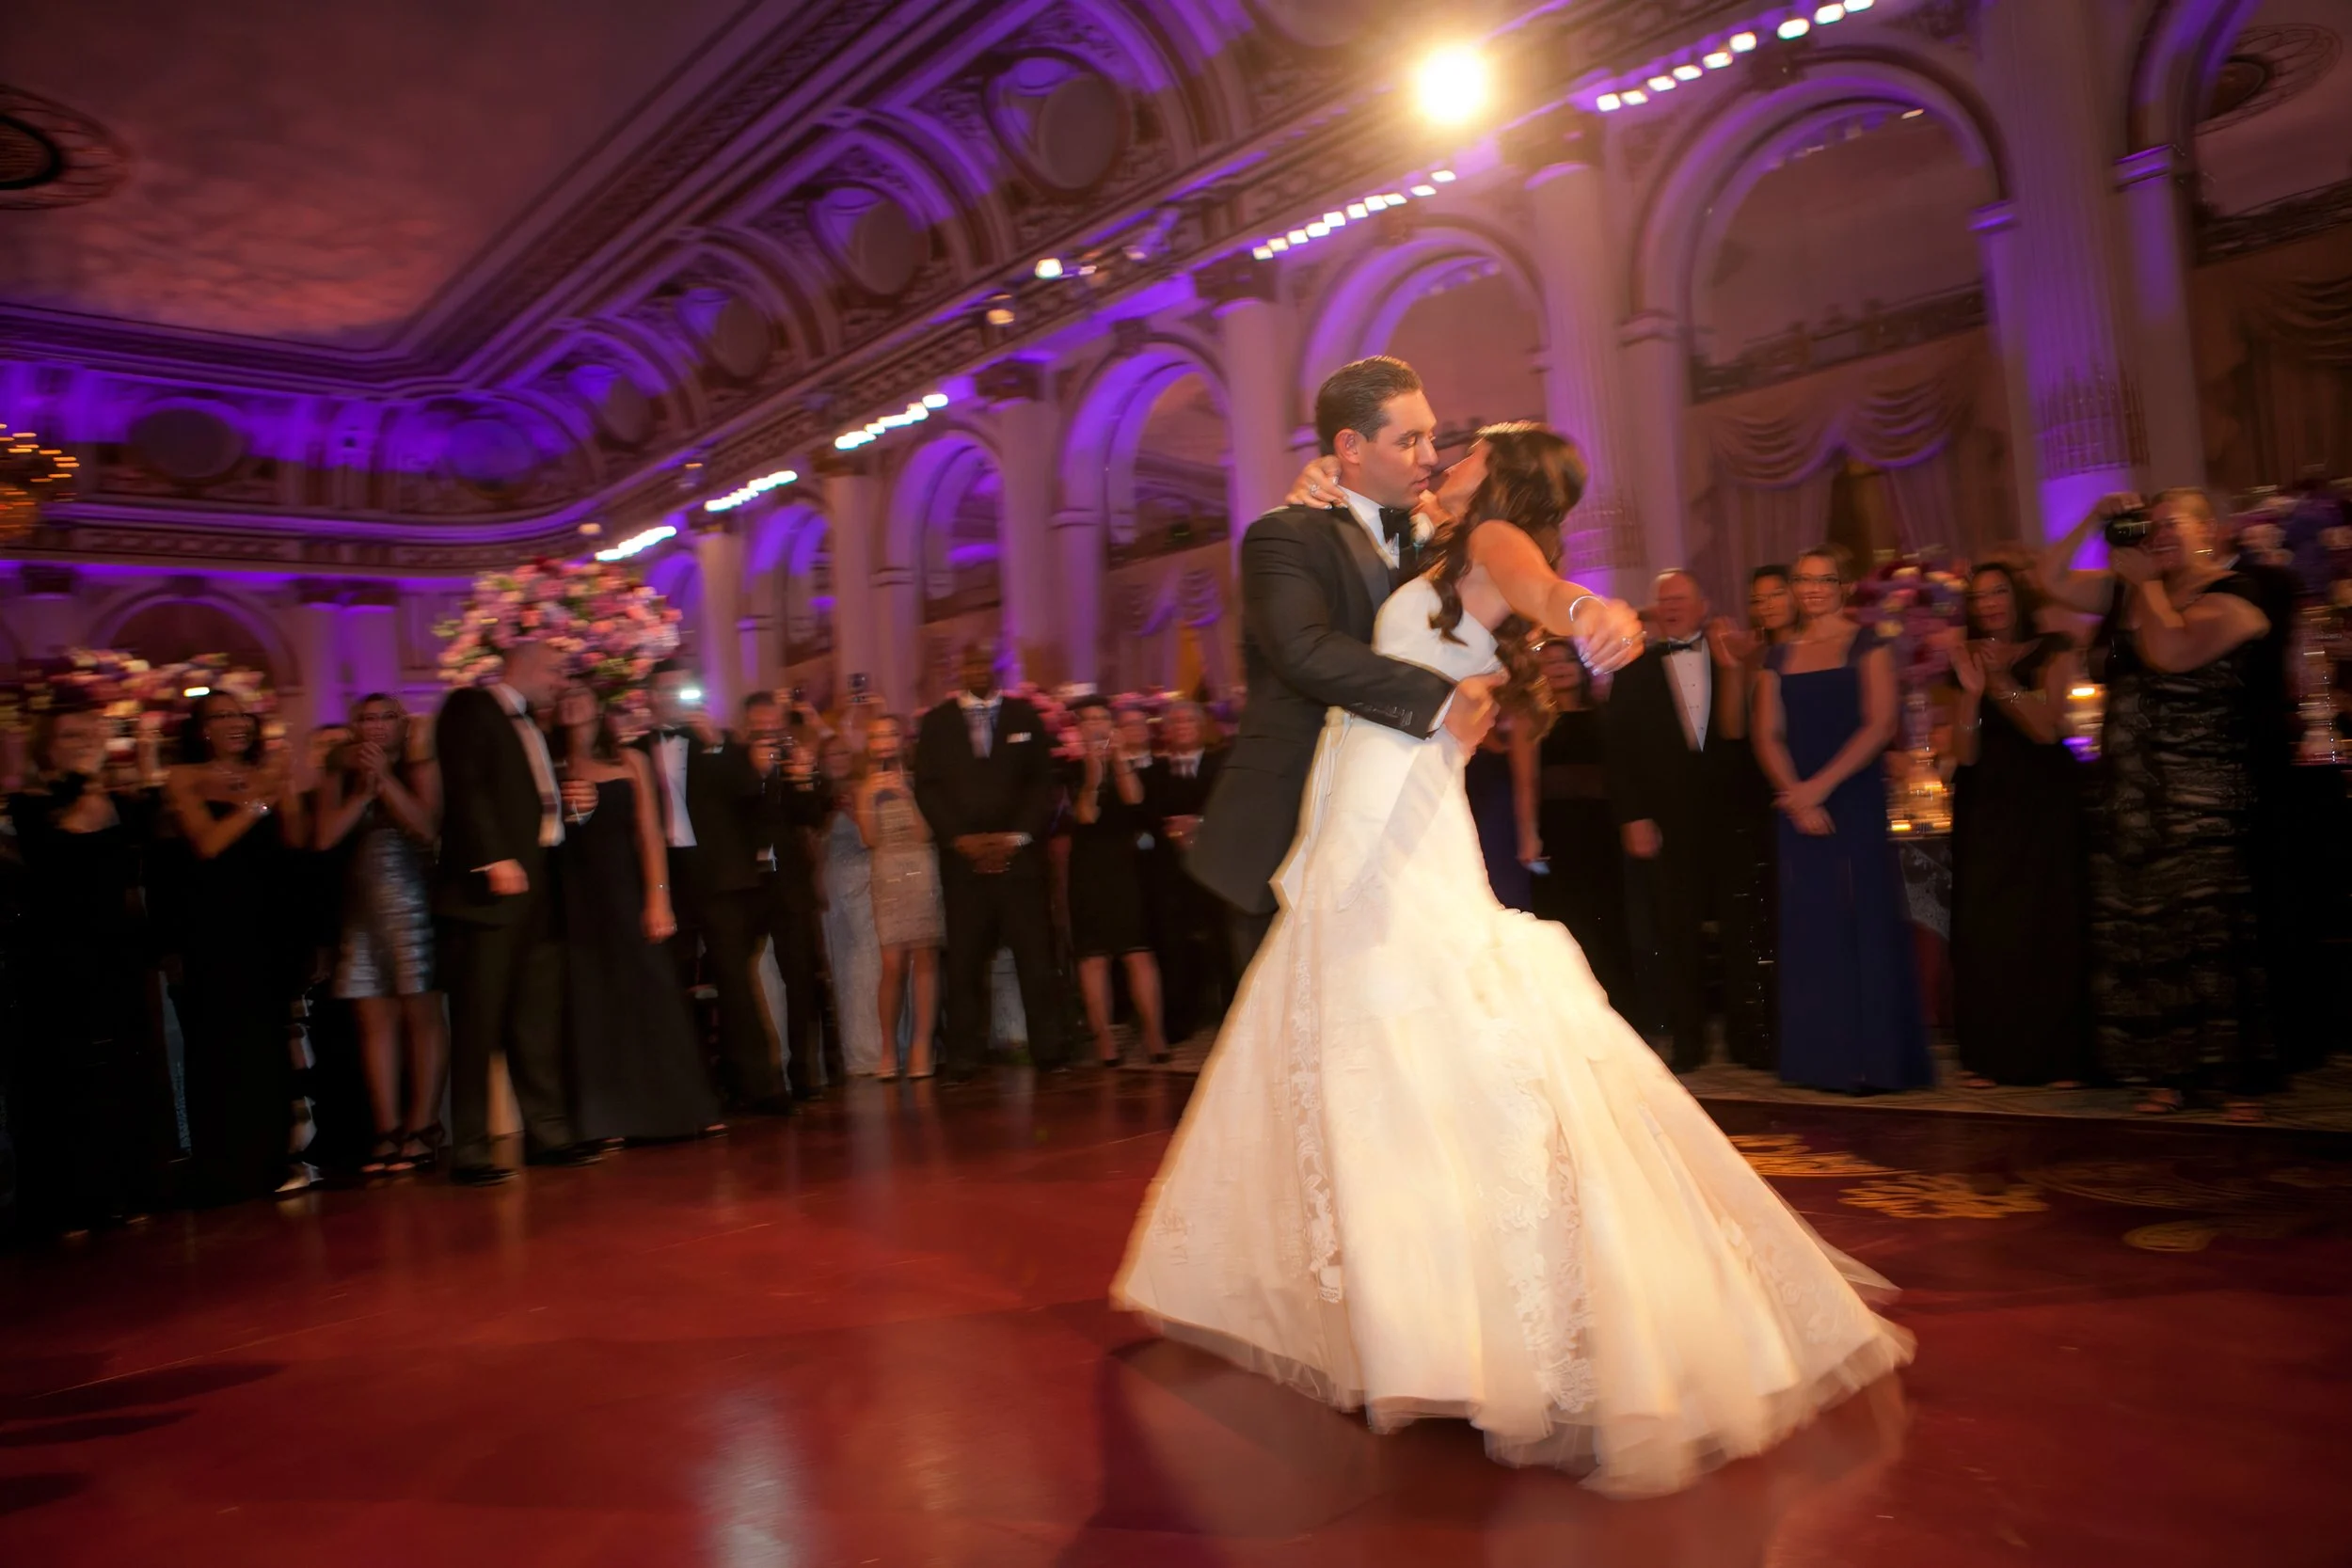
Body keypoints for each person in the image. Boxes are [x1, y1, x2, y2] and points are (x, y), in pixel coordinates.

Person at [1115, 423, 1908, 1500]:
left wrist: (1589, 611)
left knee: (1404, 1034)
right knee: (1356, 1036)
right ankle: (1401, 1306)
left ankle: (1460, 1317)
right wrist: (1321, 492)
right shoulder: (1429, 545)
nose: (1445, 452)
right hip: (1362, 795)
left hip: (1395, 811)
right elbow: (1350, 593)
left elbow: (1539, 585)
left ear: (1506, 473)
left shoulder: (1492, 536)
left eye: (1467, 445)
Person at [1190, 356, 1504, 975]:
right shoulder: (1286, 535)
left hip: (1402, 816)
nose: (1431, 456)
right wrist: (1444, 698)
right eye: (1409, 439)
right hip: (1292, 817)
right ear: (1350, 446)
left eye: (1432, 436)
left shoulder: (1438, 539)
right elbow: (1303, 650)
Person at [2039, 490, 2275, 1118]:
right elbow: (2047, 579)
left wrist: (2144, 584)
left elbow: (2171, 652)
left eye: (2173, 523)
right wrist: (2092, 521)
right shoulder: (2127, 589)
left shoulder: (2239, 594)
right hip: (2128, 791)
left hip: (2200, 792)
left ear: (2210, 530)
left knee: (2204, 933)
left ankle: (2228, 1077)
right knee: (2140, 933)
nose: (2159, 533)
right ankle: (2161, 1073)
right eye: (2152, 524)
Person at [1754, 546, 1931, 1094]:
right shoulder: (1777, 656)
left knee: (1864, 916)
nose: (1812, 590)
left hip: (1851, 798)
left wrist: (1817, 790)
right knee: (1812, 921)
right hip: (1798, 807)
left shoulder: (1869, 645)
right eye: (1802, 580)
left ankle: (1874, 1059)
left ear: (1842, 585)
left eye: (1823, 580)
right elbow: (1766, 735)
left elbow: (1879, 727)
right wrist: (1796, 795)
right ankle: (1819, 1060)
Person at [7, 704, 175, 1234]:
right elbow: (66, 844)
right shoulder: (30, 807)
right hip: (58, 955)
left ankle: (130, 1184)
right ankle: (74, 1198)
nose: (84, 741)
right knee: (67, 1072)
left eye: (92, 733)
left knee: (127, 1063)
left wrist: (138, 771)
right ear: (47, 746)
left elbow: (151, 849)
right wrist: (97, 781)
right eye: (70, 734)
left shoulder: (120, 800)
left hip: (119, 952)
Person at [433, 641, 595, 1186]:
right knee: (479, 1024)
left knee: (537, 1020)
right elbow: (467, 786)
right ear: (521, 667)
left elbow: (534, 802)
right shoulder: (469, 707)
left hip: (542, 885)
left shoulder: (538, 728)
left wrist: (576, 810)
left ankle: (549, 1136)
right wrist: (493, 856)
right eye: (554, 670)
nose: (560, 681)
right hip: (492, 893)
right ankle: (472, 1151)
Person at [549, 681, 719, 1143]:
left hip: (626, 889)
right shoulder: (550, 764)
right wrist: (563, 810)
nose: (573, 699)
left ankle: (683, 1108)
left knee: (652, 988)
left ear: (598, 703)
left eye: (580, 692)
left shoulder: (629, 759)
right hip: (574, 894)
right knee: (592, 1002)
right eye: (565, 694)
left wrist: (659, 896)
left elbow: (649, 834)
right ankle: (607, 1120)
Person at [1944, 563, 2092, 1088]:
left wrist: (2000, 681)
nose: (1989, 604)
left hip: (2044, 800)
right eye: (1979, 596)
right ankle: (1993, 1056)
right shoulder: (1962, 656)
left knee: (2048, 925)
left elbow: (2048, 730)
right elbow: (1963, 752)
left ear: (2017, 595)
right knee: (1989, 928)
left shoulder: (2052, 648)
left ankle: (2059, 1060)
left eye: (1999, 592)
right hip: (1985, 804)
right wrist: (1968, 690)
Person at [162, 689, 310, 1202]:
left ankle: (272, 1160)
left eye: (242, 714)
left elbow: (294, 843)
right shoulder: (183, 777)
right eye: (223, 715)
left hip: (265, 922)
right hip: (214, 926)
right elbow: (208, 842)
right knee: (221, 1045)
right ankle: (225, 1167)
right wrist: (261, 796)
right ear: (202, 727)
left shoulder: (269, 776)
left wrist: (281, 790)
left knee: (268, 1043)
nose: (236, 723)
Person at [1605, 569, 1755, 1071]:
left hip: (1732, 814)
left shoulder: (1731, 658)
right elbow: (1619, 754)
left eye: (1680, 598)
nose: (1671, 606)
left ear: (1702, 604)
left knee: (1741, 927)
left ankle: (1748, 1039)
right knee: (1675, 930)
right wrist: (1634, 817)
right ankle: (1688, 1041)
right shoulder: (1631, 672)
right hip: (1665, 821)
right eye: (1663, 599)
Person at [912, 643, 1068, 1080]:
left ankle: (1050, 1049)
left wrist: (1015, 838)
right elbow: (928, 788)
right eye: (970, 662)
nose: (977, 669)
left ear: (995, 667)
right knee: (963, 964)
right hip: (964, 866)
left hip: (1021, 863)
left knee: (1036, 959)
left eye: (984, 662)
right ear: (959, 668)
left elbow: (1042, 783)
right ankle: (964, 1055)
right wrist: (962, 840)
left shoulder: (1023, 716)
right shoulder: (938, 723)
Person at [638, 661, 788, 1112]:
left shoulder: (716, 741)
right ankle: (692, 1092)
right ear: (649, 698)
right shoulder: (635, 749)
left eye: (679, 689)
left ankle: (760, 1088)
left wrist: (718, 744)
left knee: (735, 984)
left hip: (721, 881)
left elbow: (750, 791)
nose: (671, 697)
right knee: (670, 987)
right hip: (666, 882)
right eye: (663, 691)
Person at [314, 693, 445, 1175]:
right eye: (365, 718)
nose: (375, 727)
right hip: (361, 909)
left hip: (415, 902)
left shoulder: (419, 764)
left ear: (402, 723)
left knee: (421, 1015)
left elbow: (427, 827)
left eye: (385, 717)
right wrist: (362, 794)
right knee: (375, 1020)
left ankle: (423, 1125)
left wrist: (386, 779)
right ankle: (387, 1129)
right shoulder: (339, 767)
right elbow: (324, 837)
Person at [1701, 565, 1797, 1069]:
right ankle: (1771, 1038)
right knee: (1767, 914)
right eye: (1757, 599)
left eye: (1776, 594)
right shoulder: (1749, 651)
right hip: (1760, 791)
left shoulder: (1815, 646)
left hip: (1813, 777)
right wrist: (1731, 665)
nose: (1766, 606)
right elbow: (1734, 728)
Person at [1527, 641, 1633, 1013]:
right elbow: (1526, 783)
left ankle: (1619, 1008)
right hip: (1557, 829)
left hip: (1602, 829)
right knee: (1567, 920)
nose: (1558, 667)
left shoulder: (1604, 713)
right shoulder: (1535, 718)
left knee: (1610, 919)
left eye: (1566, 660)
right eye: (1549, 660)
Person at [1064, 694, 1169, 1067]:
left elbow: (1134, 800)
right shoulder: (1068, 768)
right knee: (1094, 957)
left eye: (1101, 718)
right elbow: (1085, 816)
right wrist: (1093, 772)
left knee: (1137, 950)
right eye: (1087, 719)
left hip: (1124, 864)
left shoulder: (1129, 759)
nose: (1095, 724)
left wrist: (1117, 760)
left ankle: (1155, 1034)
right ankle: (1104, 1039)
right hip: (1088, 866)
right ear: (1077, 727)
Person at [743, 691, 831, 1100]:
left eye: (773, 726)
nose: (767, 734)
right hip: (744, 885)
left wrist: (806, 776)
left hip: (790, 885)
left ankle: (803, 1072)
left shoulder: (793, 762)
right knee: (739, 981)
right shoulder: (731, 763)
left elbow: (813, 814)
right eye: (759, 727)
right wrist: (756, 773)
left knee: (800, 980)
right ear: (747, 727)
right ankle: (755, 1077)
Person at [1143, 700, 1228, 1041]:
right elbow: (1145, 813)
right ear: (1165, 730)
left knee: (1222, 942)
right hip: (1169, 871)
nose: (1180, 727)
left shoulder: (1221, 764)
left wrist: (1201, 825)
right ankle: (1180, 1019)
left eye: (1187, 721)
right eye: (1173, 722)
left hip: (1215, 868)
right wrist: (1172, 830)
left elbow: (1231, 805)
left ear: (1200, 727)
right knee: (1173, 944)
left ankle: (1230, 1016)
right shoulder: (1153, 772)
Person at [1463, 712, 1539, 912]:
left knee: (1501, 896)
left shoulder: (1518, 710)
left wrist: (1528, 836)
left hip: (1497, 821)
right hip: (1463, 813)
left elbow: (1525, 783)